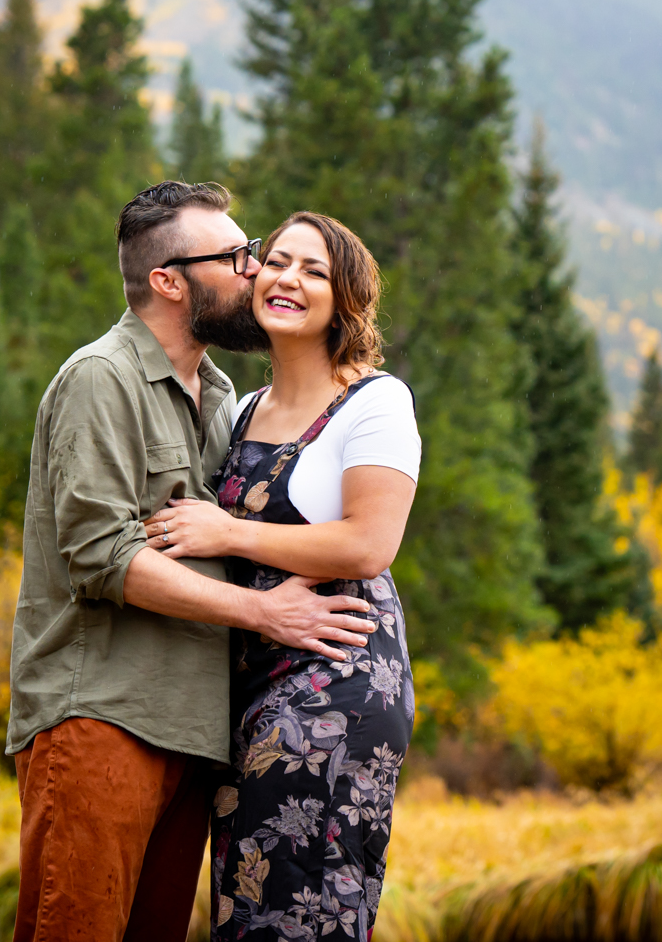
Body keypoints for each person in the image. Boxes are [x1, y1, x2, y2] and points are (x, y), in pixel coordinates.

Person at [7, 183, 382, 942]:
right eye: (238, 256)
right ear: (169, 280)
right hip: (100, 719)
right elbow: (101, 556)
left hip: (193, 740)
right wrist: (265, 611)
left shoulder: (220, 398)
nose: (257, 271)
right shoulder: (100, 378)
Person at [143, 211, 420, 942]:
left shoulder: (375, 401)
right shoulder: (240, 410)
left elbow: (369, 543)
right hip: (253, 681)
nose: (288, 279)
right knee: (246, 905)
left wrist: (228, 529)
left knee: (303, 912)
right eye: (277, 261)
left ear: (346, 301)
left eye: (314, 270)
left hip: (338, 678)